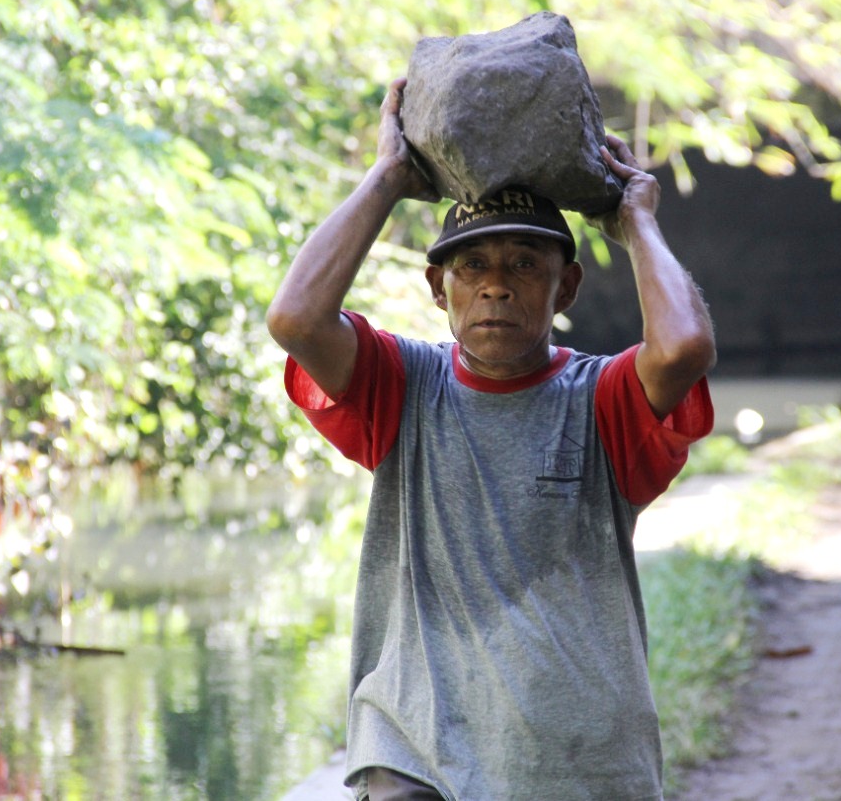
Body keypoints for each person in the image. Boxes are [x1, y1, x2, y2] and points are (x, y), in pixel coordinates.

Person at [266, 77, 716, 801]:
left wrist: (637, 223)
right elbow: (295, 320)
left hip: (577, 765)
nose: (496, 286)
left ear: (564, 289)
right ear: (438, 287)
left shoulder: (601, 399)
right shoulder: (403, 385)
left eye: (524, 266)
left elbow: (684, 347)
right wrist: (387, 178)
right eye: (473, 265)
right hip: (416, 754)